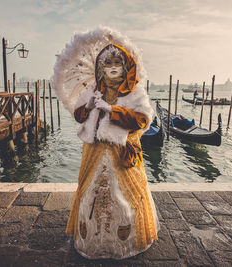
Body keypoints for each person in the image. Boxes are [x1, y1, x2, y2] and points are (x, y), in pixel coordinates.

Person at [52, 30, 159, 260]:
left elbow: (142, 120)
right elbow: (80, 116)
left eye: (116, 62)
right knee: (91, 193)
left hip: (123, 153)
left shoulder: (135, 91)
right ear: (100, 67)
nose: (112, 67)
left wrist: (114, 111)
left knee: (123, 196)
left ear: (124, 65)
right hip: (94, 152)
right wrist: (89, 105)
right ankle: (91, 240)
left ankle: (125, 242)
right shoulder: (94, 90)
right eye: (107, 62)